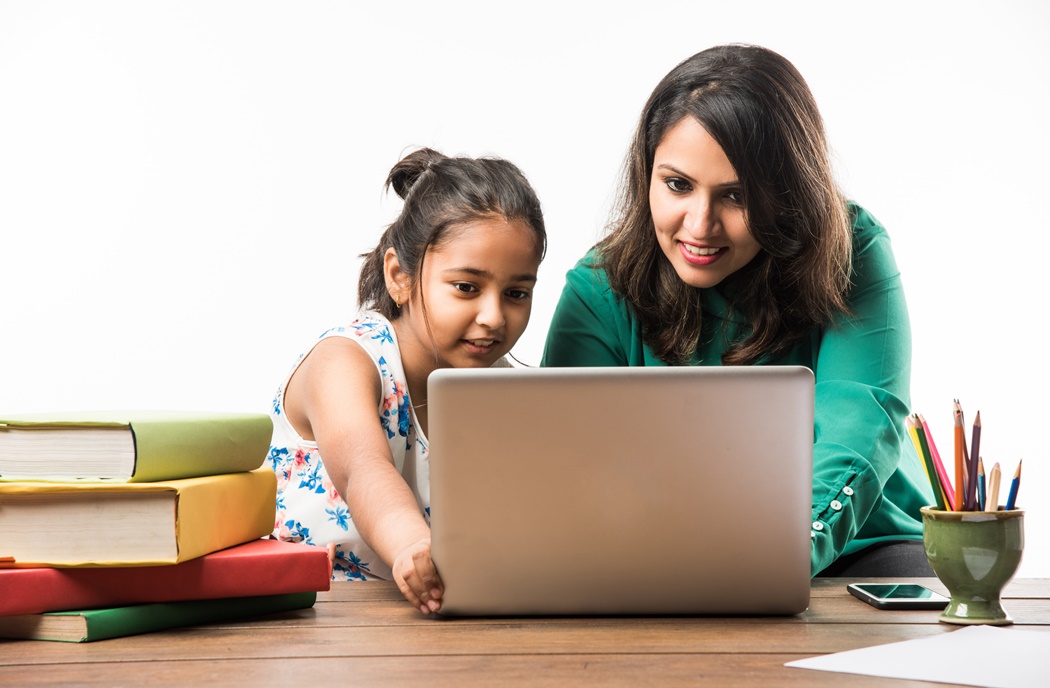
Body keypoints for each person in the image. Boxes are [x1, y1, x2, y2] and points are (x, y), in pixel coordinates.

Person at [541, 44, 935, 577]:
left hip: (861, 543)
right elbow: (567, 463)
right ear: (646, 174)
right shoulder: (598, 285)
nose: (700, 225)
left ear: (788, 192)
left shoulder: (852, 249)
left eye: (736, 196)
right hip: (664, 554)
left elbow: (857, 429)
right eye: (678, 185)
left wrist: (776, 556)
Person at [269, 147, 546, 613]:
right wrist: (413, 547)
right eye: (466, 287)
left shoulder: (501, 386)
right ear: (399, 276)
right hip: (316, 618)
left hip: (432, 619)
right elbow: (363, 471)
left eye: (517, 293)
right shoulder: (346, 361)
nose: (494, 317)